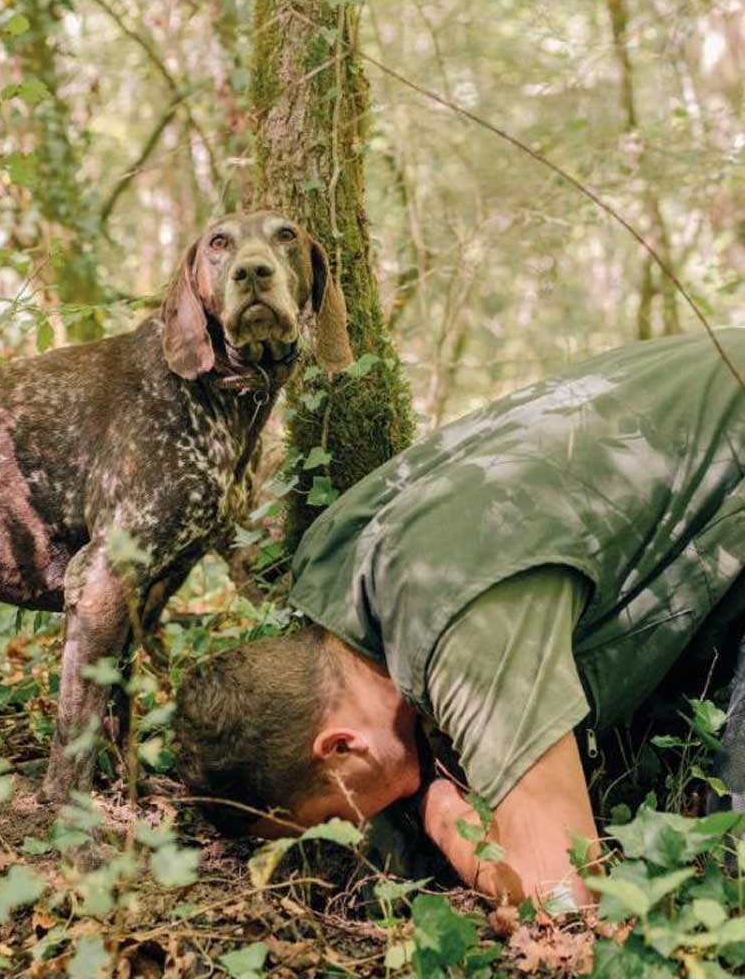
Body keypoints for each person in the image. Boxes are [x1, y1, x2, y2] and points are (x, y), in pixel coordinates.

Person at [174, 329, 745, 907]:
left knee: (736, 856)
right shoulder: (333, 557)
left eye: (333, 818)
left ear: (341, 746)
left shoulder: (457, 626)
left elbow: (567, 902)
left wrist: (448, 823)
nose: (353, 828)